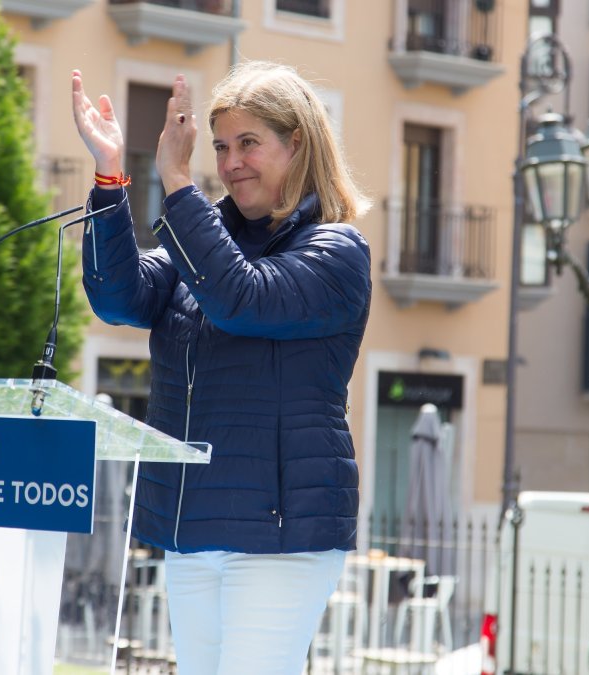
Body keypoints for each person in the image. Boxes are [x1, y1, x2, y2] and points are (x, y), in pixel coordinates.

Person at [71, 60, 372, 674]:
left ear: (297, 144)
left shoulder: (337, 250)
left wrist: (177, 180)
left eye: (248, 143)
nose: (231, 162)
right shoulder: (203, 244)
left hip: (279, 539)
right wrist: (110, 175)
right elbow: (119, 299)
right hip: (192, 529)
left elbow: (240, 299)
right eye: (220, 147)